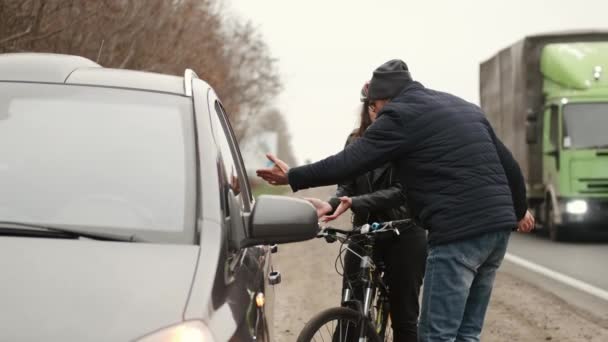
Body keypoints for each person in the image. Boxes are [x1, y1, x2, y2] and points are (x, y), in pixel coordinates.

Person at [257, 59, 535, 342]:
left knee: (436, 336)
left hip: (457, 233)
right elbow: (509, 165)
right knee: (467, 334)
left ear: (382, 100)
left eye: (374, 108)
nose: (375, 115)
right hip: (496, 232)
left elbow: (349, 162)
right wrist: (520, 209)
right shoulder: (461, 107)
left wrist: (293, 176)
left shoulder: (401, 115)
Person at [305, 81, 427, 342]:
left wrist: (356, 201)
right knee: (350, 310)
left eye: (380, 105)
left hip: (403, 232)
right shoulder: (355, 140)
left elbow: (401, 191)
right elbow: (345, 184)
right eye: (370, 105)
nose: (375, 110)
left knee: (405, 318)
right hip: (363, 232)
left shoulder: (409, 141)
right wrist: (334, 203)